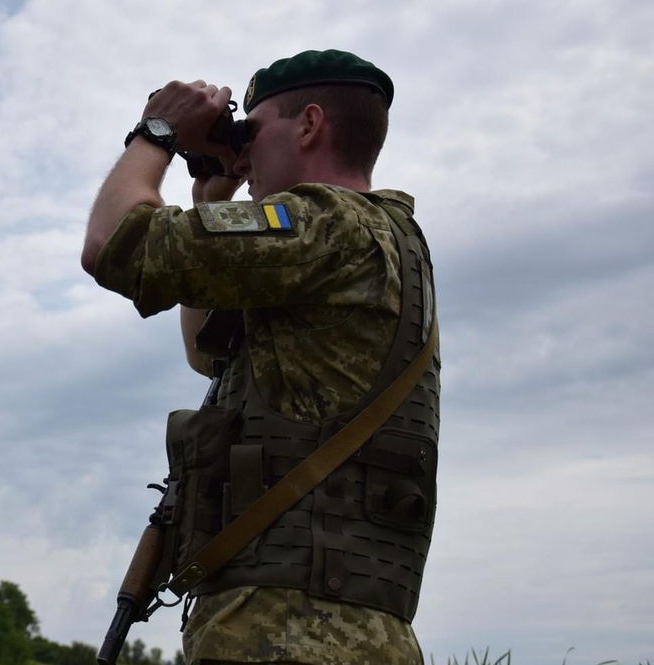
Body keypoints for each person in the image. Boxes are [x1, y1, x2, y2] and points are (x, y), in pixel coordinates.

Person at [81, 50, 440, 665]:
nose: (242, 152)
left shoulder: (325, 223)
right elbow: (206, 353)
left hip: (287, 632)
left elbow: (113, 245)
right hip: (347, 632)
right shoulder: (377, 239)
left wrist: (157, 132)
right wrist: (211, 197)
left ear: (309, 125)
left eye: (253, 129)